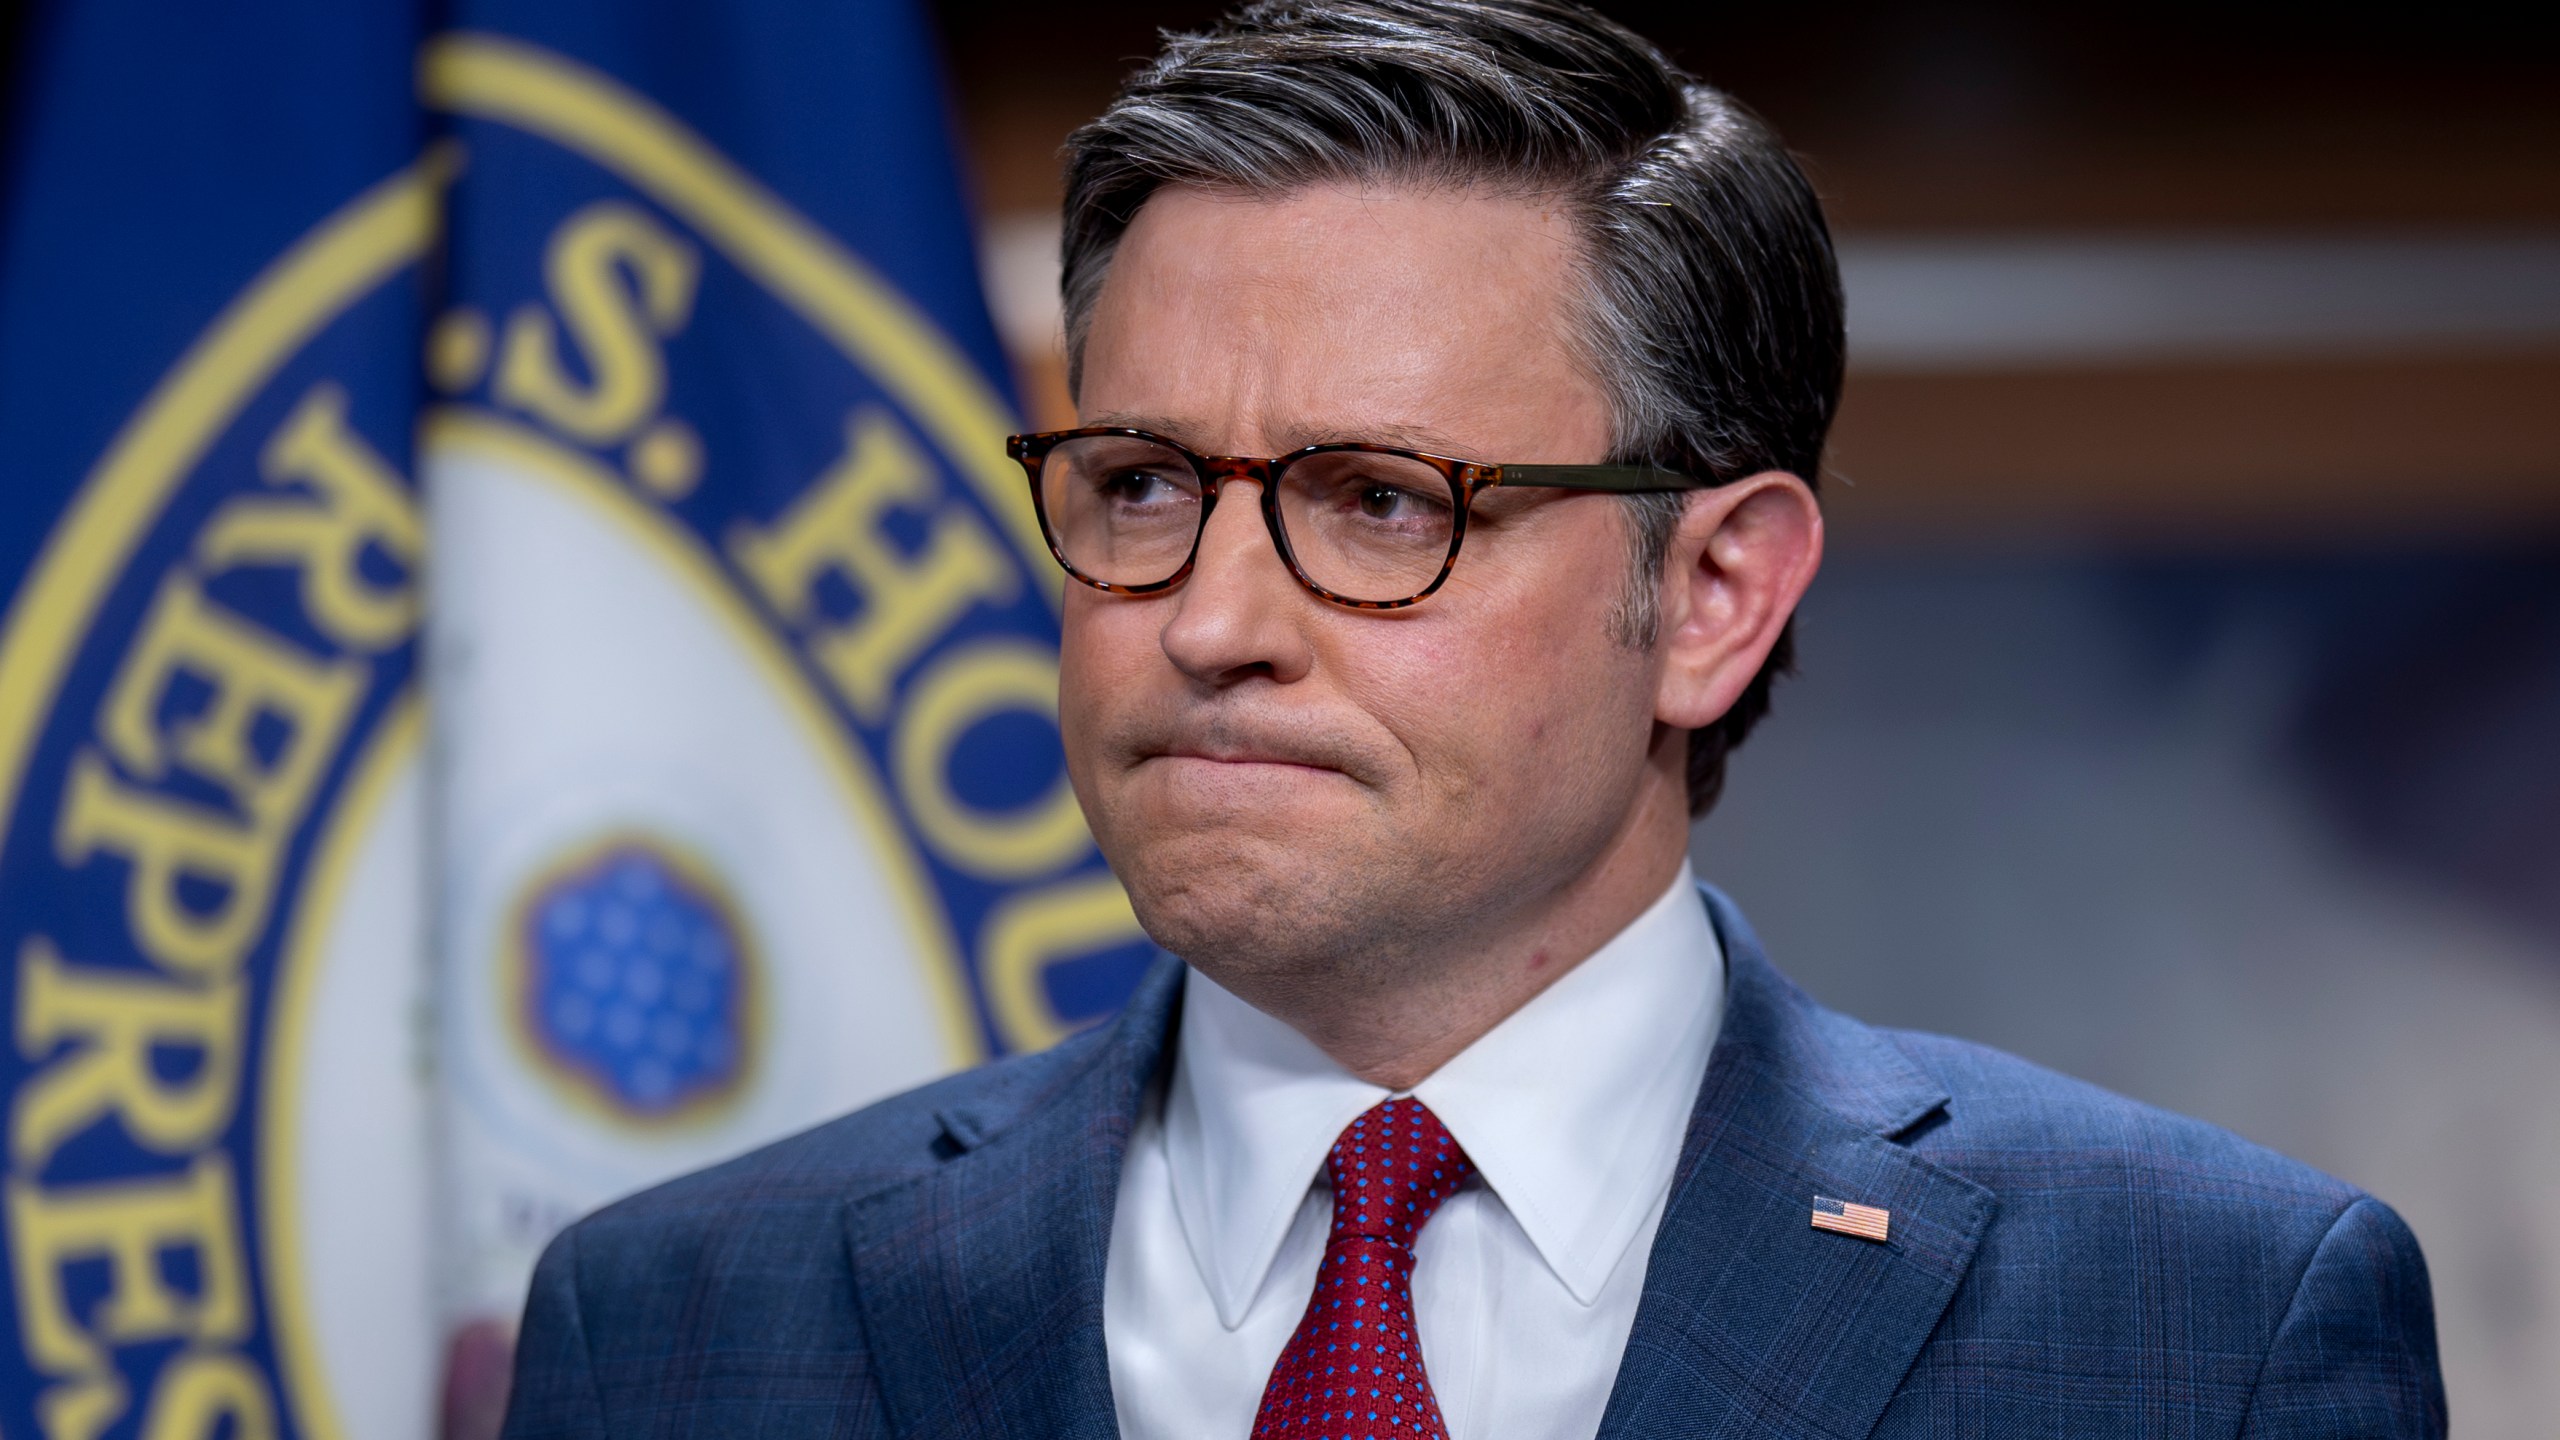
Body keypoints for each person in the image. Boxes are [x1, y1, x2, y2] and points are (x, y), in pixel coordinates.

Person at [499, 2, 2447, 1435]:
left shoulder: (2201, 1327)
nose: (1211, 621)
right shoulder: (678, 1328)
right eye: (1143, 486)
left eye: (1376, 504)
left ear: (1709, 595)